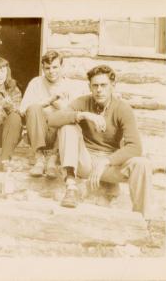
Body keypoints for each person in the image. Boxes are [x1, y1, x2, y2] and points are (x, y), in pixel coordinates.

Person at [48, 64, 152, 219]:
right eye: (95, 85)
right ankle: (71, 187)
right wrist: (83, 115)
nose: (99, 90)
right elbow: (53, 119)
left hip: (109, 166)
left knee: (143, 163)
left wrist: (106, 161)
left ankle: (142, 219)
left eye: (104, 85)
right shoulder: (83, 102)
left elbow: (135, 147)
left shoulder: (122, 109)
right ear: (89, 86)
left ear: (112, 86)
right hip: (84, 162)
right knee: (67, 127)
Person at [19, 50, 71, 178]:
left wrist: (57, 104)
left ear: (62, 67)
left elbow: (74, 113)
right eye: (47, 68)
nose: (51, 71)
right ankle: (39, 159)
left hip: (58, 135)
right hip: (38, 132)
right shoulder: (36, 83)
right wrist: (48, 101)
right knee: (34, 108)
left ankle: (53, 160)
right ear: (43, 68)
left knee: (67, 116)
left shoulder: (69, 85)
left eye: (55, 67)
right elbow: (23, 109)